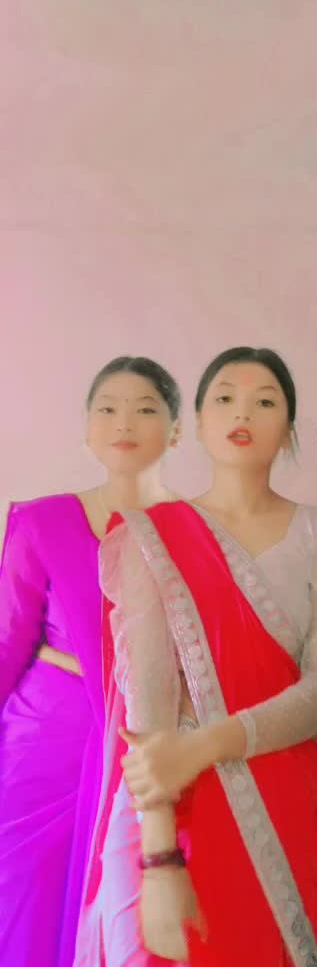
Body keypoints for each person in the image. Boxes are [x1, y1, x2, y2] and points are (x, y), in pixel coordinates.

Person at [75, 346, 317, 967]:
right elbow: (148, 707)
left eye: (265, 401)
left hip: (281, 788)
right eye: (225, 399)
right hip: (169, 807)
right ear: (199, 423)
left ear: (289, 429)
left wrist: (207, 744)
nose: (243, 413)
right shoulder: (150, 534)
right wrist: (159, 857)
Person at [0, 356, 181, 967]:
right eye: (107, 408)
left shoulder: (199, 528)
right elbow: (7, 643)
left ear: (176, 430)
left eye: (145, 408)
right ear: (86, 428)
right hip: (42, 747)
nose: (123, 421)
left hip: (149, 749)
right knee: (25, 910)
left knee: (123, 920)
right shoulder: (40, 521)